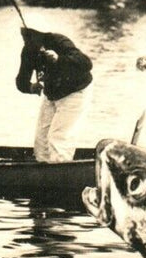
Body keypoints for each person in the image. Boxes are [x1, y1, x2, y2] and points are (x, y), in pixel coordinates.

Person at [17, 26, 93, 162]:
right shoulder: (28, 51)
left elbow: (86, 63)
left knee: (58, 137)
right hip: (52, 94)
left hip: (75, 92)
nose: (26, 39)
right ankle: (42, 173)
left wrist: (59, 59)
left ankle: (61, 173)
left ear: (40, 33)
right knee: (41, 140)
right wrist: (31, 87)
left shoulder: (59, 41)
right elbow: (21, 81)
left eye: (29, 35)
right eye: (24, 35)